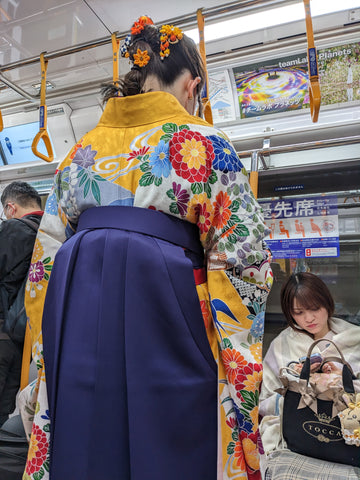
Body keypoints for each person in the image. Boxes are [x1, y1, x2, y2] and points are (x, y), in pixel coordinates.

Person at [22, 16, 272, 480]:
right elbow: (243, 261)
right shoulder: (204, 143)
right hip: (169, 320)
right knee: (173, 446)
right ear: (193, 86)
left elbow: (44, 268)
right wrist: (235, 358)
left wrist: (49, 341)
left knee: (85, 439)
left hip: (78, 324)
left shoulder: (81, 152)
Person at [259, 272, 360, 479]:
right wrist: (297, 387)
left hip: (347, 437)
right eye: (299, 312)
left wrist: (341, 378)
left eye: (315, 308)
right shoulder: (281, 345)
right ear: (290, 313)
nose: (309, 318)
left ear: (328, 303)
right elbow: (265, 402)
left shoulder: (354, 338)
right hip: (300, 437)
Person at [0, 181, 43, 427]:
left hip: (4, 330)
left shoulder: (14, 229)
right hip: (25, 335)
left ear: (11, 207)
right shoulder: (54, 230)